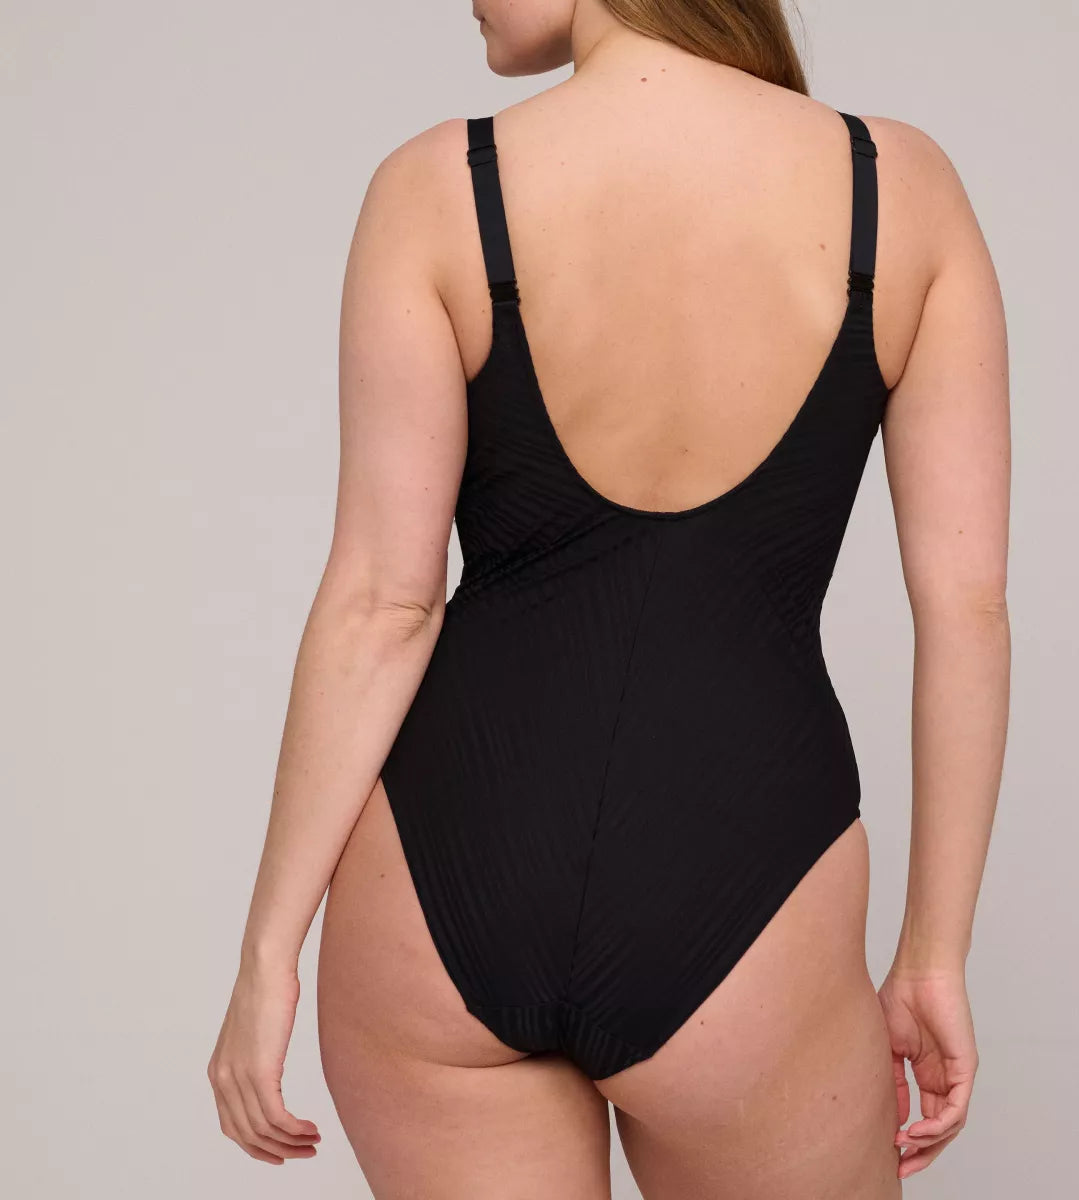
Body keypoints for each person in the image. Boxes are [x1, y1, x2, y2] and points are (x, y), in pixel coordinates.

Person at [207, 1, 1010, 1195]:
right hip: (747, 872)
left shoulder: (435, 188)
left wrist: (270, 951)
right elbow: (965, 610)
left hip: (440, 881)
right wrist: (934, 954)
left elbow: (382, 603)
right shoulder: (899, 188)